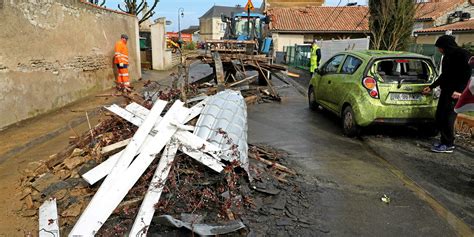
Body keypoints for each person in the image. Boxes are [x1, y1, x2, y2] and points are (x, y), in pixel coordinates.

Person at [422, 35, 471, 153]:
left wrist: (459, 91)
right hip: (446, 91)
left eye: (440, 47)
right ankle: (444, 140)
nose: (439, 50)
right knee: (440, 116)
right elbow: (444, 76)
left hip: (456, 93)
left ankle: (448, 144)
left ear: (446, 46)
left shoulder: (463, 55)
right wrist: (431, 86)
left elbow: (466, 75)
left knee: (448, 118)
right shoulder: (447, 57)